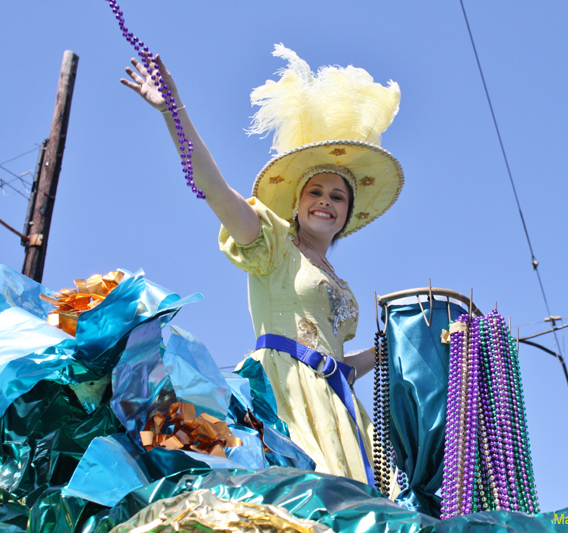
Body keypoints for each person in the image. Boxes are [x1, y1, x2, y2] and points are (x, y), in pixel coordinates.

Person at [121, 44, 404, 486]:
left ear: (348, 214)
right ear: (297, 203)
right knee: (304, 496)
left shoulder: (340, 284)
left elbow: (335, 363)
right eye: (316, 192)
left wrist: (391, 350)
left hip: (335, 402)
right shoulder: (271, 244)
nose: (325, 202)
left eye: (338, 196)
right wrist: (172, 111)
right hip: (283, 391)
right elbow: (214, 188)